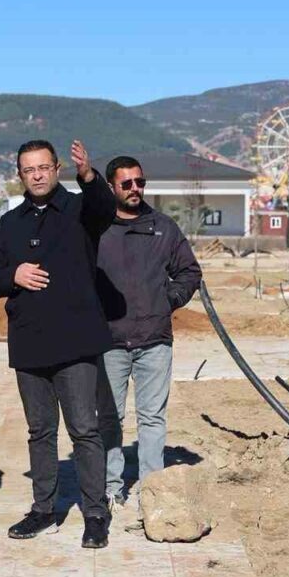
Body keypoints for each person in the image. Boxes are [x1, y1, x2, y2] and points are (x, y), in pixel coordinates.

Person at [0, 139, 115, 549]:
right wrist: (13, 275)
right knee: (40, 431)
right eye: (28, 170)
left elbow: (105, 209)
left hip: (75, 342)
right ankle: (43, 509)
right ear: (20, 175)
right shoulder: (10, 222)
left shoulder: (80, 209)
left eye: (43, 167)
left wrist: (88, 175)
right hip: (30, 342)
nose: (37, 175)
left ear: (56, 168)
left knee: (84, 430)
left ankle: (95, 513)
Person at [94, 156, 202, 512]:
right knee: (109, 418)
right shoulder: (96, 229)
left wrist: (168, 300)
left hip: (154, 340)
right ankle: (110, 488)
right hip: (108, 341)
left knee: (152, 418)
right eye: (126, 183)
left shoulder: (163, 227)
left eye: (140, 182)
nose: (135, 189)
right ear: (111, 187)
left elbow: (189, 272)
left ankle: (151, 492)